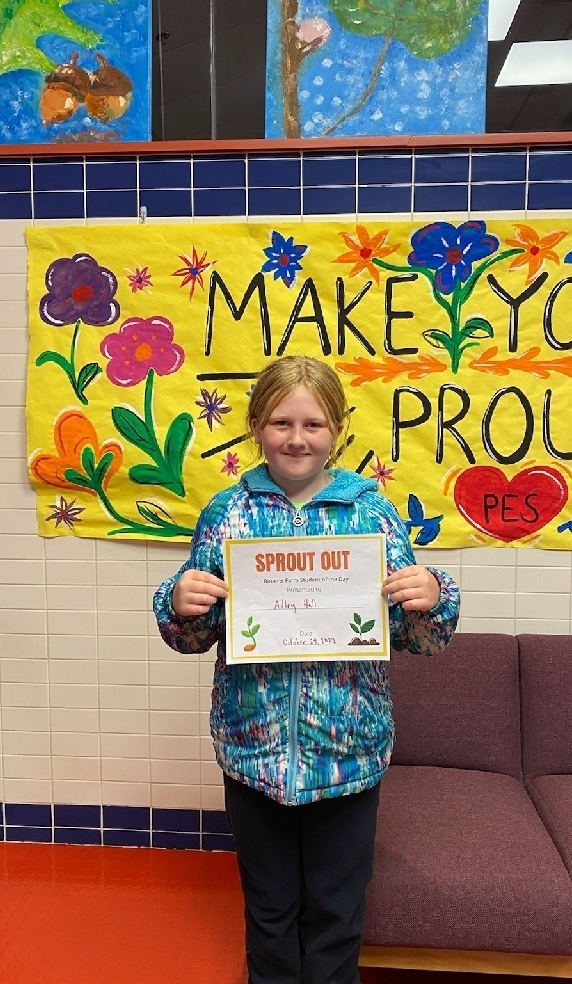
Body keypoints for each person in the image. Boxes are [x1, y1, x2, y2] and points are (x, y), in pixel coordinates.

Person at [153, 355, 459, 984]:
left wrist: (434, 593)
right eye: (281, 422)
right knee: (268, 910)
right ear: (255, 426)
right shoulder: (227, 515)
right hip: (253, 751)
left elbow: (419, 637)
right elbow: (196, 631)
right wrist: (178, 603)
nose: (297, 438)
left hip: (349, 752)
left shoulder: (371, 514)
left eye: (314, 424)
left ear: (339, 429)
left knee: (337, 912)